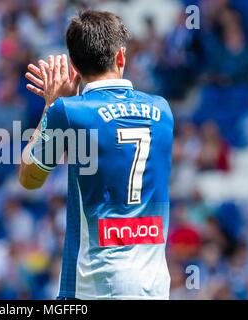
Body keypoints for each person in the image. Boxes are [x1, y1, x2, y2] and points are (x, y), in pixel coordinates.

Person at [19, 10, 173, 299]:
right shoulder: (162, 110)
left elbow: (29, 179)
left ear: (74, 66)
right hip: (155, 285)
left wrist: (51, 106)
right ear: (121, 58)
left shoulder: (69, 111)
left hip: (98, 284)